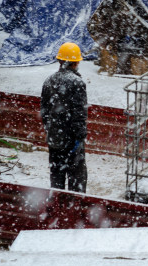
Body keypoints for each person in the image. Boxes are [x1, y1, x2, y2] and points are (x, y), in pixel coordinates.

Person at [41, 42, 88, 193]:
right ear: (75, 63)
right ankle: (75, 210)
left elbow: (44, 112)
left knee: (56, 177)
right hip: (72, 140)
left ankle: (57, 208)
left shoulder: (48, 80)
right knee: (77, 179)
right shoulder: (77, 83)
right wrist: (80, 136)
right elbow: (79, 114)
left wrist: (51, 130)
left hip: (55, 138)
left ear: (60, 61)